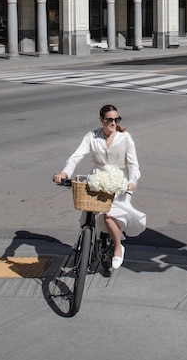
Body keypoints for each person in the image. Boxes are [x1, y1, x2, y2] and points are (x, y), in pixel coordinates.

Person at [53, 104, 145, 269]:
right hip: (97, 179)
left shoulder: (125, 138)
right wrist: (64, 173)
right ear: (101, 120)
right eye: (109, 119)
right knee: (88, 213)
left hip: (119, 183)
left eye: (117, 119)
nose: (113, 123)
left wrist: (132, 182)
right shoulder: (92, 136)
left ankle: (118, 247)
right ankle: (85, 240)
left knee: (109, 217)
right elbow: (76, 156)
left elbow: (133, 165)